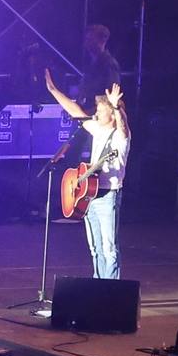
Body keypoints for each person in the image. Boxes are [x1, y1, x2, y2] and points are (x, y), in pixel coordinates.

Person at [43, 65, 132, 280]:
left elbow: (123, 125)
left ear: (111, 114)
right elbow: (76, 111)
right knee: (95, 248)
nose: (96, 113)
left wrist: (116, 106)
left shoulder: (121, 137)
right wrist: (54, 91)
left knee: (109, 248)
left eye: (101, 110)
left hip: (108, 194)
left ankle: (111, 288)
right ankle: (98, 284)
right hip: (89, 195)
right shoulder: (97, 129)